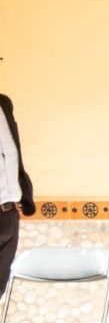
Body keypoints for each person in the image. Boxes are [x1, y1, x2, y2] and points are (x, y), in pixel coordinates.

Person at [0, 91, 36, 297]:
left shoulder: (2, 104)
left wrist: (18, 196)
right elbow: (11, 153)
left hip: (7, 213)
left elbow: (12, 154)